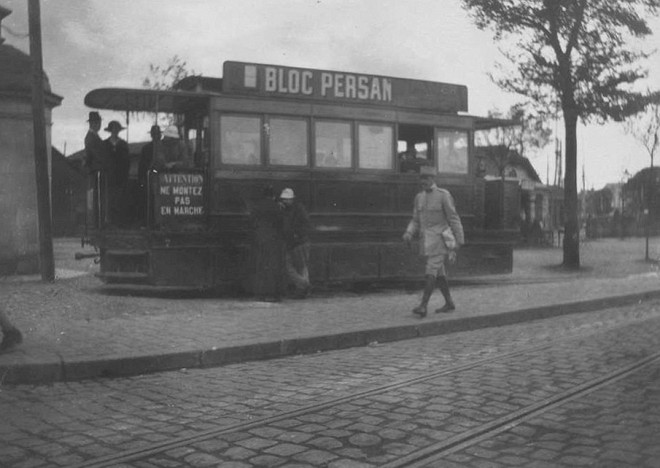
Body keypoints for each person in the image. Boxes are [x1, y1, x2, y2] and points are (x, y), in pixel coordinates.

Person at [402, 165, 464, 318]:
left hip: (440, 241)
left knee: (431, 270)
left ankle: (423, 305)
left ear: (433, 179)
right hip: (426, 242)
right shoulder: (419, 197)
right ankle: (449, 302)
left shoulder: (444, 195)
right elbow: (416, 220)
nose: (423, 181)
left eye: (426, 178)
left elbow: (453, 218)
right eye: (421, 179)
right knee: (439, 272)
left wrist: (459, 239)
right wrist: (409, 232)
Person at [250, 186, 286, 302]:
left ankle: (260, 294)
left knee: (260, 266)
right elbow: (281, 224)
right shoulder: (277, 207)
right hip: (274, 241)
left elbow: (252, 222)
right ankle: (274, 294)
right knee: (274, 267)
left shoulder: (257, 206)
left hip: (259, 239)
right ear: (273, 195)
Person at [279, 188, 312, 298]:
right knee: (301, 267)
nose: (285, 201)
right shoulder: (298, 208)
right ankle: (304, 287)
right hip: (299, 241)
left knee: (292, 266)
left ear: (292, 199)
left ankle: (303, 286)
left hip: (297, 242)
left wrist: (296, 235)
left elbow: (298, 225)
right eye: (284, 199)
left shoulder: (293, 210)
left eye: (287, 199)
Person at [103, 120, 130, 226]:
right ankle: (108, 221)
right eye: (113, 129)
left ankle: (119, 222)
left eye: (117, 129)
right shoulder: (104, 144)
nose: (115, 131)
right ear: (110, 131)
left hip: (121, 177)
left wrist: (124, 174)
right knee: (109, 199)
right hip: (108, 177)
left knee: (120, 199)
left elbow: (127, 161)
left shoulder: (123, 144)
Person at [84, 111, 108, 225]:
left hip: (98, 170)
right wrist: (105, 165)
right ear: (92, 124)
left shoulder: (95, 136)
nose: (99, 125)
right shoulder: (90, 138)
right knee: (96, 198)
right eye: (97, 122)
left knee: (100, 197)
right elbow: (96, 155)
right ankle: (98, 222)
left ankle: (101, 221)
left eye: (99, 122)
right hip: (96, 172)